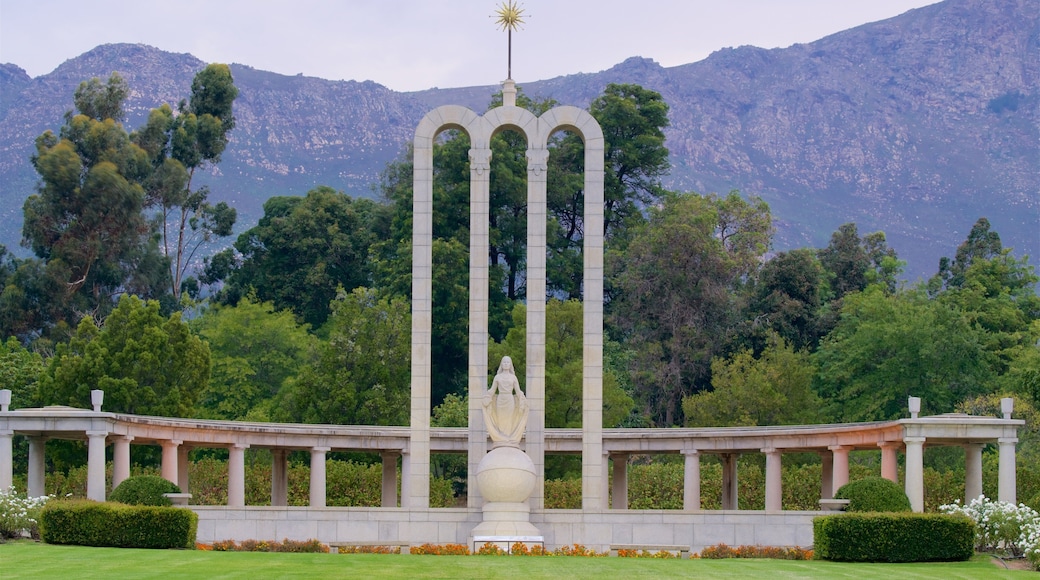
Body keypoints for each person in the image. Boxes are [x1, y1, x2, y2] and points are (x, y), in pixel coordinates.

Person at [483, 356, 529, 446]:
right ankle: (501, 438)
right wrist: (487, 397)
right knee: (500, 419)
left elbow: (518, 391)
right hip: (500, 400)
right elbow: (492, 390)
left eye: (508, 362)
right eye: (504, 362)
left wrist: (523, 399)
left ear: (510, 364)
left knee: (509, 419)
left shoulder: (513, 378)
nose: (506, 364)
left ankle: (508, 437)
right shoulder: (497, 377)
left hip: (509, 400)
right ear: (501, 364)